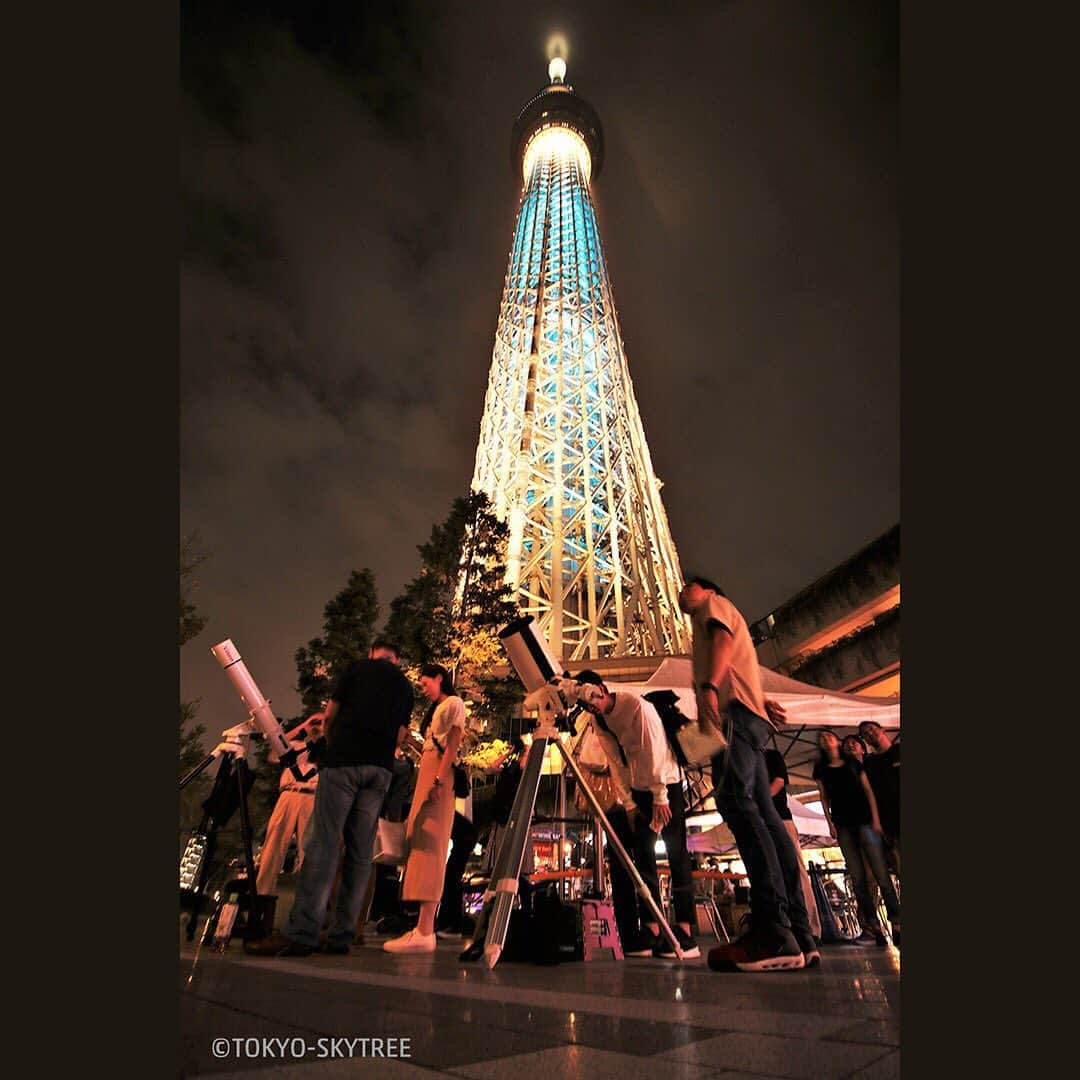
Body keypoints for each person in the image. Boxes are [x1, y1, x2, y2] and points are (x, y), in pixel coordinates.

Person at [678, 576, 817, 972]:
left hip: (734, 715)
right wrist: (758, 699)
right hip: (747, 713)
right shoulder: (713, 620)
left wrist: (709, 685)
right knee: (767, 817)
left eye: (688, 587)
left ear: (709, 591)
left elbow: (723, 643)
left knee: (735, 801)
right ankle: (799, 933)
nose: (681, 593)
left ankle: (774, 930)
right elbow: (741, 662)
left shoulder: (714, 608)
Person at [247, 639, 414, 957]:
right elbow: (400, 736)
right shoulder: (405, 687)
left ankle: (302, 932)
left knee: (322, 844)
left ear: (372, 654)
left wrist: (334, 743)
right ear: (397, 658)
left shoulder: (356, 669)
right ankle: (342, 934)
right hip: (378, 771)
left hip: (344, 764)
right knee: (360, 852)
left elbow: (331, 715)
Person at [572, 670, 700, 959]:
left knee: (677, 852)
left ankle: (685, 930)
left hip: (667, 784)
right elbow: (616, 763)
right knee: (643, 856)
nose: (590, 707)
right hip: (639, 789)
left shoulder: (637, 707)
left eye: (592, 699)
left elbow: (654, 750)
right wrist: (629, 803)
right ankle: (653, 927)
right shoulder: (599, 719)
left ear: (603, 689)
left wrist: (660, 796)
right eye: (585, 704)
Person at [384, 663, 467, 954]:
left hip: (438, 774)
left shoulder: (454, 704)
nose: (423, 689)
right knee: (419, 842)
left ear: (439, 678)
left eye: (425, 683)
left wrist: (438, 780)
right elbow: (438, 745)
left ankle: (425, 928)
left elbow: (454, 743)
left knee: (431, 843)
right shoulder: (439, 709)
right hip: (430, 769)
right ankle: (422, 926)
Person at [813, 730, 900, 948]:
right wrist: (829, 822)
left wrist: (876, 820)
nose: (825, 739)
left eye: (828, 736)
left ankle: (897, 924)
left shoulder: (853, 763)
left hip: (865, 822)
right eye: (821, 738)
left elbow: (869, 791)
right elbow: (824, 796)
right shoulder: (821, 768)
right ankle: (874, 928)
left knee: (881, 874)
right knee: (858, 879)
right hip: (843, 825)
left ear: (837, 740)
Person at [254, 712, 324, 897]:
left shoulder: (328, 751)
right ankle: (262, 893)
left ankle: (305, 898)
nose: (319, 726)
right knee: (274, 843)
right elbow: (273, 754)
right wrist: (305, 726)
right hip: (288, 794)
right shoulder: (297, 746)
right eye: (318, 723)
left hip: (312, 796)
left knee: (307, 849)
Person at [764, 744, 822, 940]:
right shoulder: (744, 758)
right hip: (761, 820)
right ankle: (784, 925)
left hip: (779, 817)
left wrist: (758, 802)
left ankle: (811, 928)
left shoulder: (771, 755)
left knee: (795, 869)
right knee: (772, 872)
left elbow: (779, 782)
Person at [858, 720, 900, 879]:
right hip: (889, 823)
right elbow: (870, 794)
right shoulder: (869, 763)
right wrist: (877, 821)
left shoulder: (899, 750)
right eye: (865, 734)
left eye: (871, 729)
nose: (869, 733)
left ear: (883, 729)